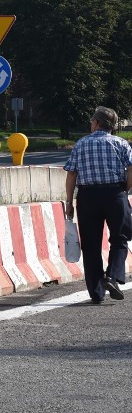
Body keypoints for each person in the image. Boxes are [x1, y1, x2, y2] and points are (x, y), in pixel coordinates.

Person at [64, 106, 131, 303]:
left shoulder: (81, 144)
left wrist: (69, 201)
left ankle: (96, 292)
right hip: (115, 194)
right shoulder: (121, 143)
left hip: (87, 197)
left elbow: (71, 174)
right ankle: (112, 276)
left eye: (92, 120)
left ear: (97, 123)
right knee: (120, 238)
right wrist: (123, 190)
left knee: (91, 245)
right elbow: (131, 169)